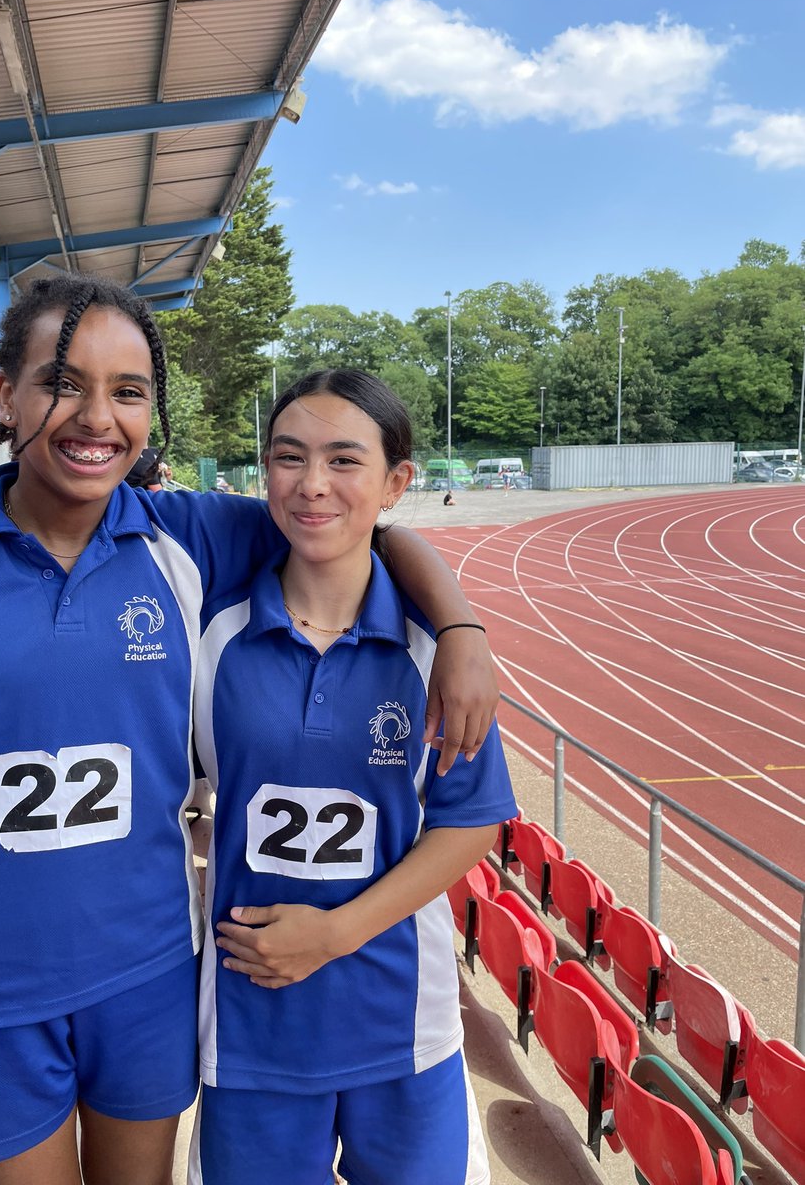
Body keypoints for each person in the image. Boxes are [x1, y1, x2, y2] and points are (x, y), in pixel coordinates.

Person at [0, 274, 499, 1185]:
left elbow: (357, 521)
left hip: (149, 971)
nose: (95, 416)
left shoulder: (189, 537)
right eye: (63, 382)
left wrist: (459, 630)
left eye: (129, 391)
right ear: (5, 395)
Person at [188, 369, 518, 1185]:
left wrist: (337, 933)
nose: (312, 485)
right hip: (250, 1021)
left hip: (401, 1022)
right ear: (263, 470)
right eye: (288, 457)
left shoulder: (438, 657)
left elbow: (470, 819)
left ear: (396, 482)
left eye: (344, 461)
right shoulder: (211, 641)